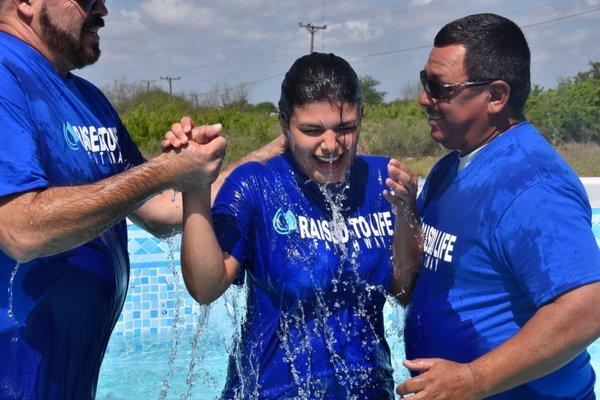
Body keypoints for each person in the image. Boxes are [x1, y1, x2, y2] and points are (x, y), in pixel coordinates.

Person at [0, 0, 283, 398]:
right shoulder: (5, 74)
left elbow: (162, 206)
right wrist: (164, 172)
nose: (103, 9)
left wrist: (277, 150)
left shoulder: (89, 101)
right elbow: (20, 230)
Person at [167, 52, 420, 399]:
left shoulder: (383, 181)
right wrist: (195, 187)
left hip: (368, 390)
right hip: (272, 390)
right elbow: (206, 287)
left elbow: (404, 291)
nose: (331, 146)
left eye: (346, 128)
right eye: (312, 130)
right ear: (285, 126)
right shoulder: (257, 185)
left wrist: (407, 213)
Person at [396, 13, 600, 399]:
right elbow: (417, 283)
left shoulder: (531, 184)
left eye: (440, 87)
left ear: (495, 96)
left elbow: (588, 306)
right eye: (426, 82)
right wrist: (406, 213)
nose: (424, 98)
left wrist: (473, 379)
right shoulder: (450, 168)